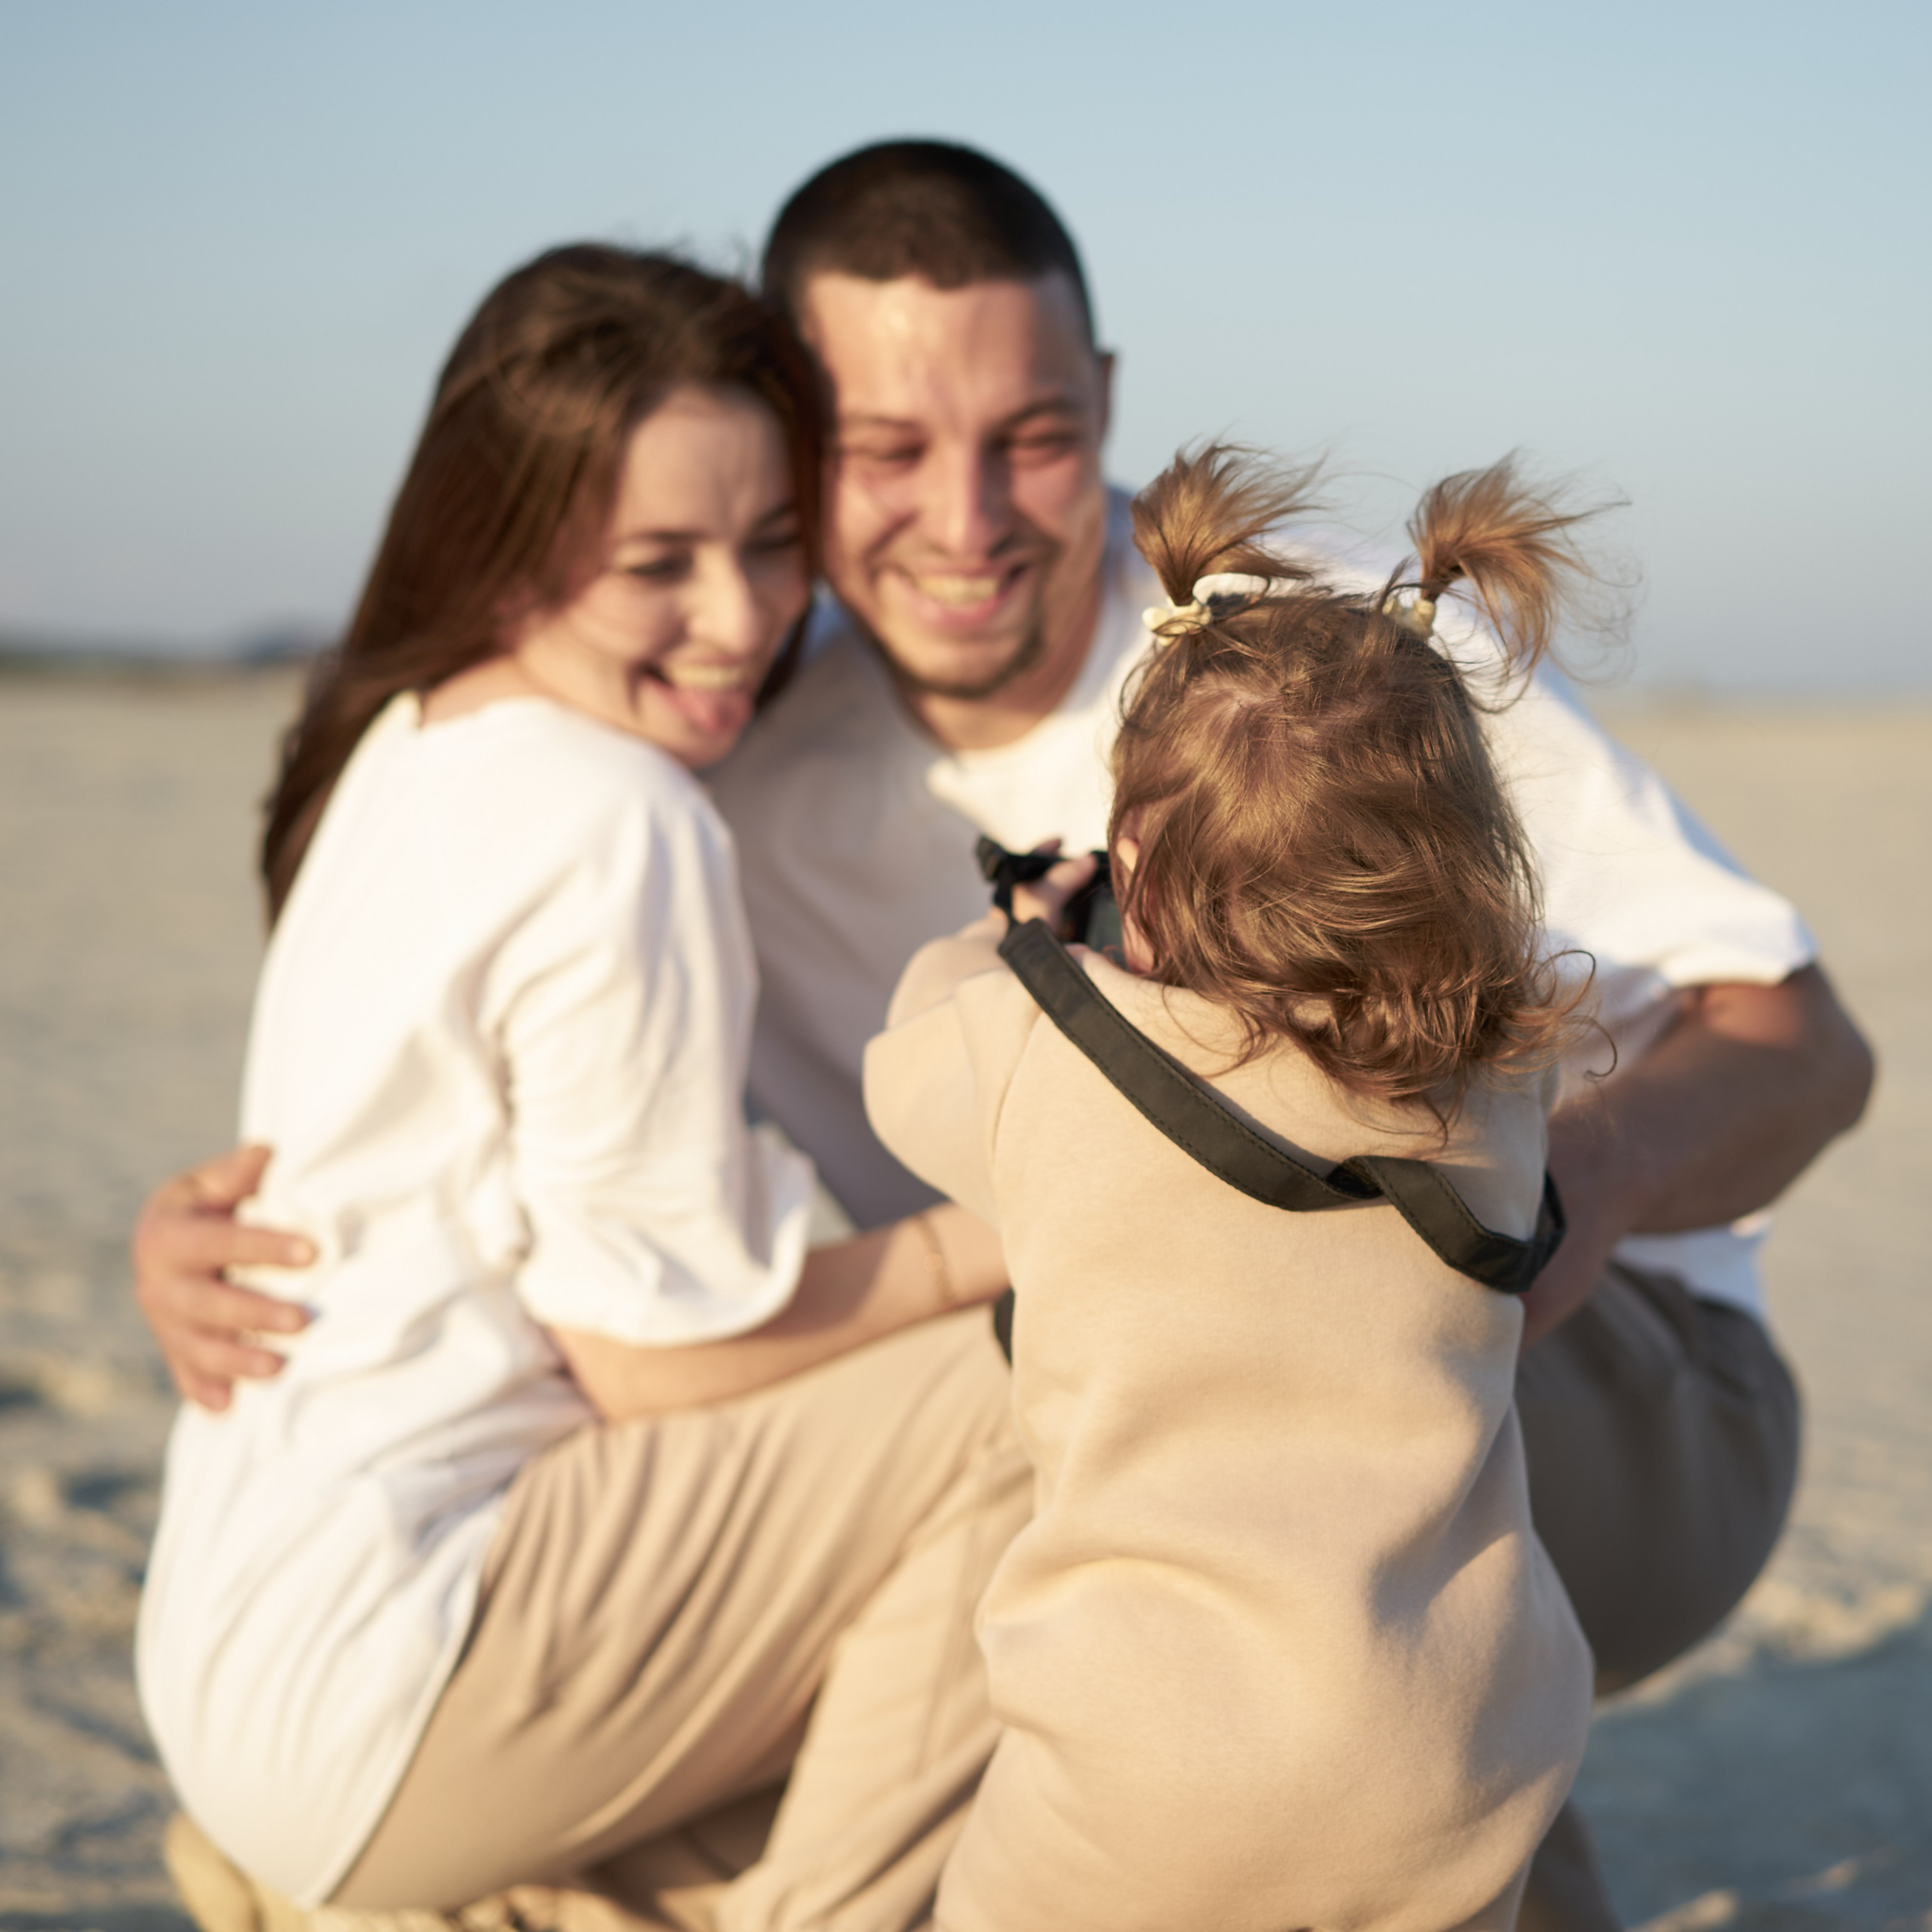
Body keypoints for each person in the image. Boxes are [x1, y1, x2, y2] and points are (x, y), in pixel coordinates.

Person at [134, 143, 1875, 1929]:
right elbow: (493, 1033)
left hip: (1603, 1379)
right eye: (883, 450)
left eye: (1029, 436)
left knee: (1093, 1410)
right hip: (1147, 1410)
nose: (963, 519)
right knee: (1082, 1479)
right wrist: (255, 1232)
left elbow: (1807, 1046)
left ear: (1105, 401)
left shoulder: (1320, 663)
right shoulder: (727, 737)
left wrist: (1489, 1205)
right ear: (794, 452)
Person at [137, 242, 1029, 1927]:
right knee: (1028, 1387)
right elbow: (662, 1359)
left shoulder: (403, 737)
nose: (740, 616)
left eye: (772, 545)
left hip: (241, 1649)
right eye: (656, 563)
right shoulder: (615, 814)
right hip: (397, 1672)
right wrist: (1015, 1231)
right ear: (505, 544)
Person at [864, 445, 1603, 1930]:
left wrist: (1022, 936)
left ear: (1131, 858)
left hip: (1143, 1765)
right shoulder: (1493, 1089)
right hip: (1448, 1744)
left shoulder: (1035, 1046)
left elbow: (904, 1066)